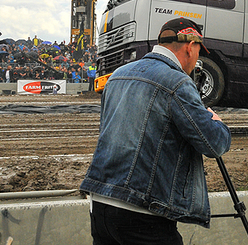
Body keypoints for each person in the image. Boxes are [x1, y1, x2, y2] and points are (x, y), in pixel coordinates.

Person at [80, 18, 231, 245]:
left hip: (101, 202)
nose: (199, 58)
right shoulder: (177, 82)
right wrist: (217, 122)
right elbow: (214, 144)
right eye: (199, 51)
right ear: (190, 47)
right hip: (142, 211)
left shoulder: (118, 75)